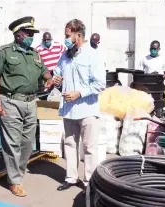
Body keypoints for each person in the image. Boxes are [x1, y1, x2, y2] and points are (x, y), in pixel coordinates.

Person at [0, 16, 53, 197]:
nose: (32, 36)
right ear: (18, 35)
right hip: (10, 102)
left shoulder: (35, 54)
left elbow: (44, 72)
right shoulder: (4, 52)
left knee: (27, 142)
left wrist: (49, 79)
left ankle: (17, 172)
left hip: (31, 102)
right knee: (12, 143)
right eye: (28, 33)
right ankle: (14, 180)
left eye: (33, 33)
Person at [53, 19, 106, 193]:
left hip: (87, 109)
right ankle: (71, 177)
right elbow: (57, 71)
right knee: (69, 144)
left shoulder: (93, 55)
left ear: (79, 35)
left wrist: (79, 93)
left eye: (68, 36)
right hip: (69, 109)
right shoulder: (65, 55)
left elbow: (100, 84)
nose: (65, 39)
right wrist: (56, 79)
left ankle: (89, 181)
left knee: (89, 147)